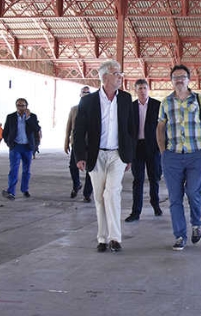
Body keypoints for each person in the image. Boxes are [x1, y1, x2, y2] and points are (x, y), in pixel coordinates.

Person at [73, 60, 136, 253]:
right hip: (95, 155)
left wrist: (129, 156)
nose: (120, 77)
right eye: (117, 73)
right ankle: (102, 238)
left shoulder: (125, 99)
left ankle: (115, 238)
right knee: (99, 197)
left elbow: (131, 129)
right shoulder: (88, 101)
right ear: (105, 77)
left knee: (112, 193)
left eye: (120, 74)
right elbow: (78, 131)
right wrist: (79, 156)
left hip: (118, 155)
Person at [156, 65, 201, 251]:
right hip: (172, 156)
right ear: (171, 80)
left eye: (182, 77)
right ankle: (180, 235)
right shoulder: (166, 102)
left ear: (189, 79)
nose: (179, 80)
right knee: (175, 198)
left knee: (193, 193)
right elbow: (160, 128)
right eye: (175, 77)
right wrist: (163, 151)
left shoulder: (198, 99)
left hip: (196, 155)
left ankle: (196, 223)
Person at [126, 79, 163, 222]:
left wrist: (162, 147)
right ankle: (136, 212)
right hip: (137, 148)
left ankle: (155, 204)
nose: (142, 91)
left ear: (148, 89)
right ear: (136, 90)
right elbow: (128, 129)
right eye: (139, 88)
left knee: (154, 178)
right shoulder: (131, 107)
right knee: (138, 180)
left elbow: (162, 127)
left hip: (153, 147)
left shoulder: (157, 105)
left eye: (144, 88)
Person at [1, 98, 41, 200]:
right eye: (18, 105)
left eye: (22, 106)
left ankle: (25, 189)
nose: (20, 108)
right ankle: (11, 192)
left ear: (26, 106)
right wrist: (9, 143)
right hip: (16, 147)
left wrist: (28, 118)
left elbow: (36, 129)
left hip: (27, 147)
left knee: (26, 170)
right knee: (14, 169)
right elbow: (5, 132)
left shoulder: (32, 116)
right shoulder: (11, 117)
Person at [64, 86, 93, 200]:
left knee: (90, 169)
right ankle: (76, 185)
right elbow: (69, 127)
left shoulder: (95, 109)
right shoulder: (74, 109)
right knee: (73, 166)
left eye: (88, 93)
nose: (85, 94)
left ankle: (87, 194)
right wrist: (66, 142)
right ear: (80, 95)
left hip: (90, 143)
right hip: (76, 143)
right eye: (83, 92)